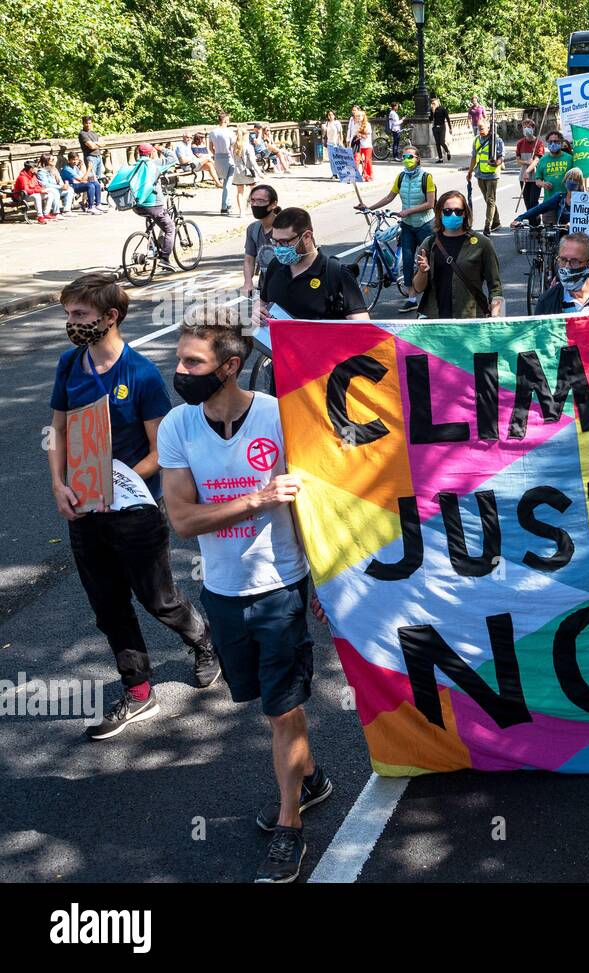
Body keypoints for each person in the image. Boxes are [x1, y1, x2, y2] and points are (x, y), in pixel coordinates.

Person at [158, 305, 332, 883]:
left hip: (279, 587)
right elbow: (182, 519)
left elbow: (315, 499)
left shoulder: (280, 417)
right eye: (179, 359)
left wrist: (324, 579)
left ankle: (290, 825)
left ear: (230, 367)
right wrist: (256, 499)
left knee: (282, 709)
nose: (179, 371)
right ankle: (310, 779)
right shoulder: (178, 426)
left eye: (191, 361)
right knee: (265, 702)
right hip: (222, 592)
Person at [48, 274, 218, 741]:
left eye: (79, 315)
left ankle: (203, 641)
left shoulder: (139, 373)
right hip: (86, 509)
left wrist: (116, 481)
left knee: (159, 599)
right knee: (107, 606)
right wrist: (61, 484)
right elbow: (58, 431)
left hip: (135, 510)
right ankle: (139, 690)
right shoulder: (69, 365)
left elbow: (160, 450)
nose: (71, 323)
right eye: (68, 314)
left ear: (110, 317)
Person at [254, 208, 370, 326]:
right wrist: (257, 311)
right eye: (275, 241)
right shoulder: (275, 265)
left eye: (284, 242)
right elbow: (263, 301)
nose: (278, 248)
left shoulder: (337, 274)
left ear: (307, 237)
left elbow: (362, 326)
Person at [356, 145, 437, 312]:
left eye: (410, 157)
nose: (406, 160)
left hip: (425, 225)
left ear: (418, 159)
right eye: (404, 157)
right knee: (407, 260)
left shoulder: (426, 178)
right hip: (407, 225)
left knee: (430, 260)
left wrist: (409, 211)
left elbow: (431, 203)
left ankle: (435, 293)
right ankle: (412, 298)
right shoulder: (401, 177)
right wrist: (369, 207)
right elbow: (389, 197)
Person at [412, 190, 504, 318]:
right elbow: (417, 289)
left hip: (470, 320)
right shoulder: (429, 244)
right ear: (440, 213)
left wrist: (496, 318)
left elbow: (495, 288)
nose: (453, 215)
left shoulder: (482, 244)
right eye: (447, 211)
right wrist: (422, 272)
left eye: (458, 211)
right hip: (435, 321)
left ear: (465, 214)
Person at [112, 144, 178, 268]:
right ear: (151, 153)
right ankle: (164, 259)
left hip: (136, 206)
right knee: (170, 228)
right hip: (153, 204)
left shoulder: (134, 166)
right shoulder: (154, 164)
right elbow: (174, 158)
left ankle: (152, 247)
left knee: (153, 223)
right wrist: (161, 149)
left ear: (138, 153)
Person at [525, 131, 573, 225]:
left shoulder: (569, 158)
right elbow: (537, 181)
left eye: (556, 141)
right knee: (550, 233)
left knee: (565, 232)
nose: (553, 144)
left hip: (566, 203)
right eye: (550, 142)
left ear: (561, 142)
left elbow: (577, 178)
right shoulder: (543, 160)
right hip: (549, 203)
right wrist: (543, 184)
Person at [511, 167, 586, 227]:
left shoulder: (586, 200)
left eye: (576, 180)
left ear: (580, 184)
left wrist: (573, 224)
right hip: (561, 239)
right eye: (570, 179)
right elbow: (539, 208)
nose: (572, 181)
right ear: (565, 181)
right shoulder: (559, 197)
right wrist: (520, 218)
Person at [242, 184, 281, 297]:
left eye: (260, 201)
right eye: (252, 200)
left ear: (273, 204)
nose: (255, 204)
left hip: (289, 287)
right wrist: (248, 282)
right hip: (265, 289)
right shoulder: (253, 229)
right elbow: (249, 259)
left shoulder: (286, 226)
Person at [468, 116, 505, 233]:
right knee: (489, 200)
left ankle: (487, 226)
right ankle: (496, 222)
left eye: (482, 128)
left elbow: (501, 157)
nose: (480, 131)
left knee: (490, 200)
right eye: (479, 129)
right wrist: (469, 171)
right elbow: (474, 157)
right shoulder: (477, 140)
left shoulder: (497, 140)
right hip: (480, 174)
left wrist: (496, 164)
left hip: (492, 175)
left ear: (489, 128)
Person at [208, 112, 237, 215]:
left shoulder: (212, 132)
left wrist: (216, 154)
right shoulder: (229, 132)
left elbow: (210, 148)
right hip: (228, 157)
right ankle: (224, 206)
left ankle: (228, 203)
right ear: (225, 120)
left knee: (225, 183)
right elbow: (233, 147)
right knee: (228, 184)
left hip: (218, 158)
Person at [230, 128, 262, 219]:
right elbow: (252, 161)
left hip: (238, 171)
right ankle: (255, 209)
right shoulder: (248, 146)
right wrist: (259, 172)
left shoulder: (234, 146)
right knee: (254, 191)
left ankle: (241, 212)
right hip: (248, 171)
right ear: (246, 136)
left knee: (239, 192)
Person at [515, 121, 542, 224]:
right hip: (523, 177)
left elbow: (536, 160)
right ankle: (532, 224)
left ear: (533, 129)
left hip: (535, 176)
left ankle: (536, 222)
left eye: (529, 127)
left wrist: (528, 170)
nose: (526, 128)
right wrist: (526, 162)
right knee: (527, 201)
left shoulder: (539, 143)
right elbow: (518, 160)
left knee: (533, 202)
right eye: (524, 127)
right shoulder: (520, 143)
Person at [347, 106, 373, 182]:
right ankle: (354, 175)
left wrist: (360, 135)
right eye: (357, 116)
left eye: (360, 116)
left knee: (367, 161)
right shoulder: (356, 124)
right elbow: (353, 133)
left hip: (367, 145)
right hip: (359, 146)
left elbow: (366, 135)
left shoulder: (367, 124)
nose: (358, 117)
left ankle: (368, 176)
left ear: (363, 117)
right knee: (356, 160)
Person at [78, 116, 106, 181]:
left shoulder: (94, 133)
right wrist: (98, 144)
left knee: (99, 177)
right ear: (83, 123)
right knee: (92, 178)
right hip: (90, 157)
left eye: (90, 123)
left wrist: (95, 143)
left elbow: (104, 143)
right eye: (86, 123)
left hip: (98, 156)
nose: (88, 125)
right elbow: (91, 146)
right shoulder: (82, 134)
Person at [431, 97, 451, 163]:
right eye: (432, 103)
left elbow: (447, 119)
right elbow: (430, 119)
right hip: (435, 127)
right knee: (437, 143)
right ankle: (440, 158)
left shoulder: (443, 109)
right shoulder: (432, 110)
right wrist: (433, 112)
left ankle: (447, 151)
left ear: (437, 102)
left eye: (434, 103)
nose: (433, 105)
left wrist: (450, 128)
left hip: (442, 127)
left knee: (442, 141)